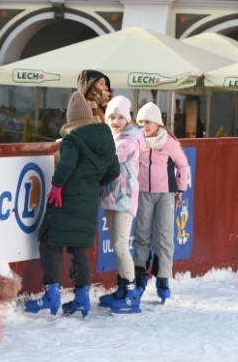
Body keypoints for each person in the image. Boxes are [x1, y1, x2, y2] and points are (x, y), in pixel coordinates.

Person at [24, 92, 120, 318]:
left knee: (50, 242)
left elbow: (66, 164)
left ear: (72, 121)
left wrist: (57, 185)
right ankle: (82, 297)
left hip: (66, 197)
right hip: (89, 201)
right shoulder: (105, 139)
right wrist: (93, 182)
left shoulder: (72, 140)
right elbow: (114, 171)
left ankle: (51, 294)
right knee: (79, 248)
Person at [132, 101, 191, 304]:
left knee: (165, 235)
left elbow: (183, 166)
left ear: (157, 122)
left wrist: (180, 190)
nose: (144, 126)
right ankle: (140, 275)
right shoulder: (137, 141)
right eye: (141, 122)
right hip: (143, 194)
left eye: (148, 121)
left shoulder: (169, 143)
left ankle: (163, 278)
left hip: (166, 194)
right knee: (141, 235)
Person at [97, 95, 143, 313]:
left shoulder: (129, 141)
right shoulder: (113, 137)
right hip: (112, 198)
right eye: (111, 117)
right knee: (117, 245)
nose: (115, 121)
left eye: (120, 117)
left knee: (120, 245)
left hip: (124, 199)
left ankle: (132, 293)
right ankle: (123, 288)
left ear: (128, 119)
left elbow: (110, 159)